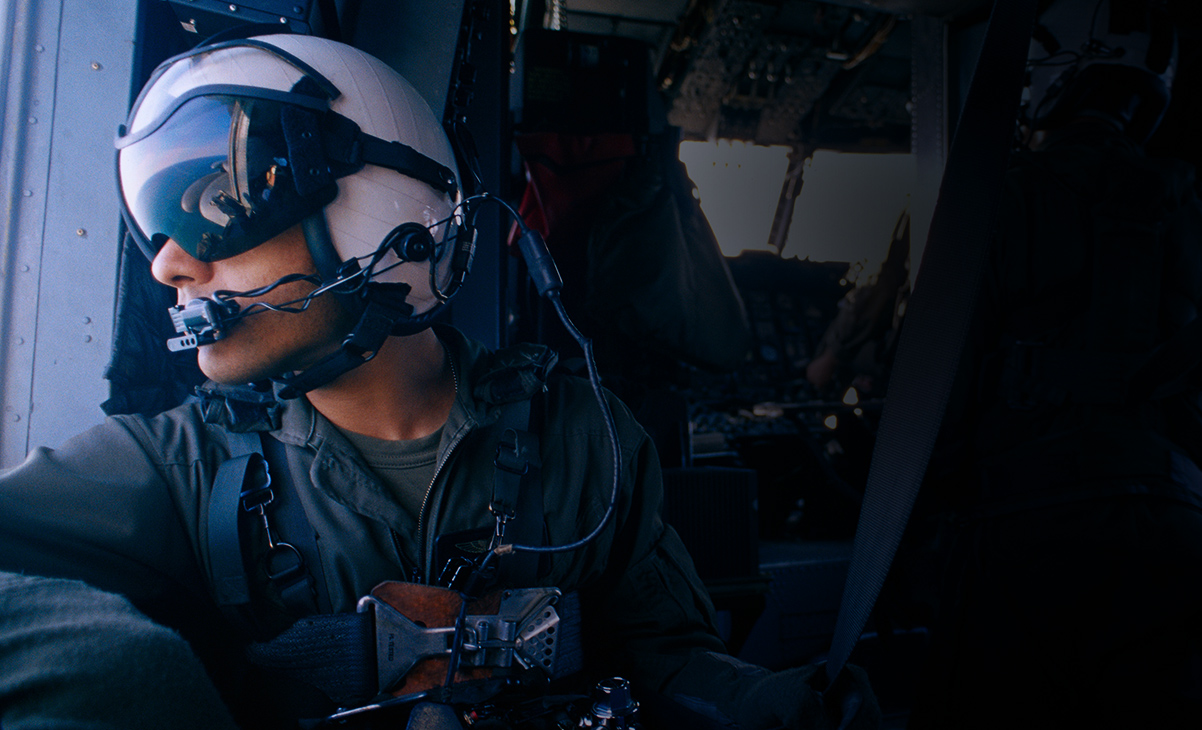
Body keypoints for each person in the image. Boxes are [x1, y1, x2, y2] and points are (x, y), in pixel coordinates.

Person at [0, 34, 875, 729]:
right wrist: (143, 670)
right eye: (160, 224)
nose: (170, 264)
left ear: (375, 217)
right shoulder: (170, 468)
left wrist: (765, 704)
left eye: (219, 209)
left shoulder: (583, 438)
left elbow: (666, 654)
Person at [905, 1, 1202, 726]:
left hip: (1033, 525)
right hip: (1181, 525)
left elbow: (938, 401)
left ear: (1054, 77)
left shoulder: (1000, 198)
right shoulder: (1201, 223)